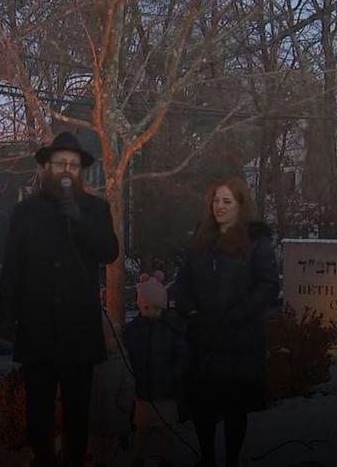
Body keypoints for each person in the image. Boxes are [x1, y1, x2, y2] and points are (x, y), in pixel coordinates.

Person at [0, 131, 120, 467]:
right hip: (37, 327)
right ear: (47, 168)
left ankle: (75, 459)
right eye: (60, 163)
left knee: (77, 409)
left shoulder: (96, 209)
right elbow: (12, 265)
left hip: (78, 329)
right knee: (38, 408)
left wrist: (79, 220)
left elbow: (109, 252)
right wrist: (6, 315)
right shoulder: (26, 212)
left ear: (80, 171)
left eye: (73, 165)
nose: (66, 170)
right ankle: (43, 457)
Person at [173, 178, 279, 467]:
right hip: (203, 339)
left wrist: (240, 314)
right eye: (216, 201)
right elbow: (181, 283)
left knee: (234, 407)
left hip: (238, 340)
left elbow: (268, 285)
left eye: (226, 201)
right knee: (202, 405)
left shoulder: (256, 241)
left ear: (240, 205)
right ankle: (207, 457)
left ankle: (231, 459)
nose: (219, 206)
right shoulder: (200, 240)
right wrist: (190, 310)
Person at [123, 276, 186, 467]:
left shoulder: (170, 330)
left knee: (165, 429)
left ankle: (163, 459)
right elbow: (128, 357)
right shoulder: (133, 331)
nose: (153, 312)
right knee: (143, 428)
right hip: (144, 391)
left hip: (165, 391)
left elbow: (181, 356)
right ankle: (138, 458)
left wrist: (177, 376)